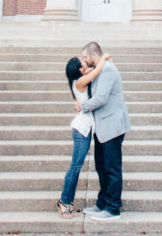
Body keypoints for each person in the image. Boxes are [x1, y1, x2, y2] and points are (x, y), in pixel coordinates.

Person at [80, 40, 130, 220]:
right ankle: (102, 203)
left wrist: (82, 106)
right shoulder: (100, 69)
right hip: (103, 126)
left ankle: (113, 208)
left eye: (86, 57)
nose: (84, 61)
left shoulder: (108, 70)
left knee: (111, 168)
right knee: (102, 166)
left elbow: (101, 98)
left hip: (113, 125)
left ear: (94, 55)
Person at [57, 51, 111, 218]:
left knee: (76, 166)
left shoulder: (79, 80)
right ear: (80, 70)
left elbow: (93, 74)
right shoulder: (79, 82)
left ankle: (68, 202)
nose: (86, 61)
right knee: (75, 166)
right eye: (83, 61)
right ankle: (64, 202)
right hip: (81, 128)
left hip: (86, 128)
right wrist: (103, 57)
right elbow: (96, 71)